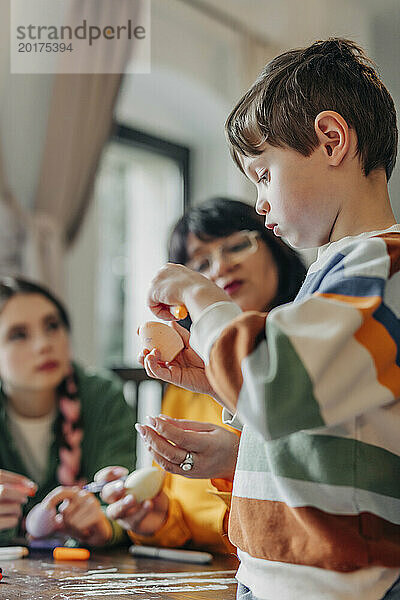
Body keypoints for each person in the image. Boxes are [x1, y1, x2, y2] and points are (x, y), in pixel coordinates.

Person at [139, 39, 400, 600]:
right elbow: (321, 417)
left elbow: (278, 389)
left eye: (262, 174)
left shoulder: (379, 265)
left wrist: (202, 297)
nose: (259, 203)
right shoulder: (340, 273)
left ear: (332, 140)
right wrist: (216, 388)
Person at [99, 198, 305, 554]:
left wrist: (242, 459)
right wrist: (158, 519)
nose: (221, 267)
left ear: (277, 246)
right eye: (200, 265)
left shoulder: (311, 349)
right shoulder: (188, 375)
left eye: (238, 245)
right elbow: (188, 520)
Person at [0, 276, 135, 547]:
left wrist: (105, 524)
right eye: (19, 335)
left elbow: (122, 500)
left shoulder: (103, 397)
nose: (43, 345)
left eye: (52, 326)